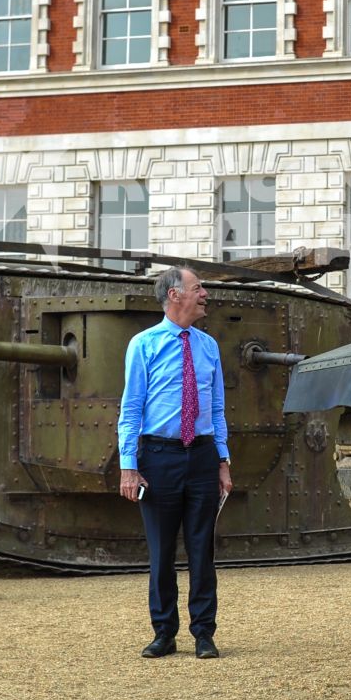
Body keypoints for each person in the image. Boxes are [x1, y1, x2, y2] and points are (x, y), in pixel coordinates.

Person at [117, 266, 233, 659]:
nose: (205, 293)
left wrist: (223, 461)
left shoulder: (209, 346)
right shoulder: (143, 344)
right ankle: (164, 633)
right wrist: (128, 467)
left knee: (203, 549)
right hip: (159, 456)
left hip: (201, 456)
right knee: (162, 551)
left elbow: (217, 410)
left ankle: (204, 633)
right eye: (198, 287)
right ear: (174, 296)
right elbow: (131, 410)